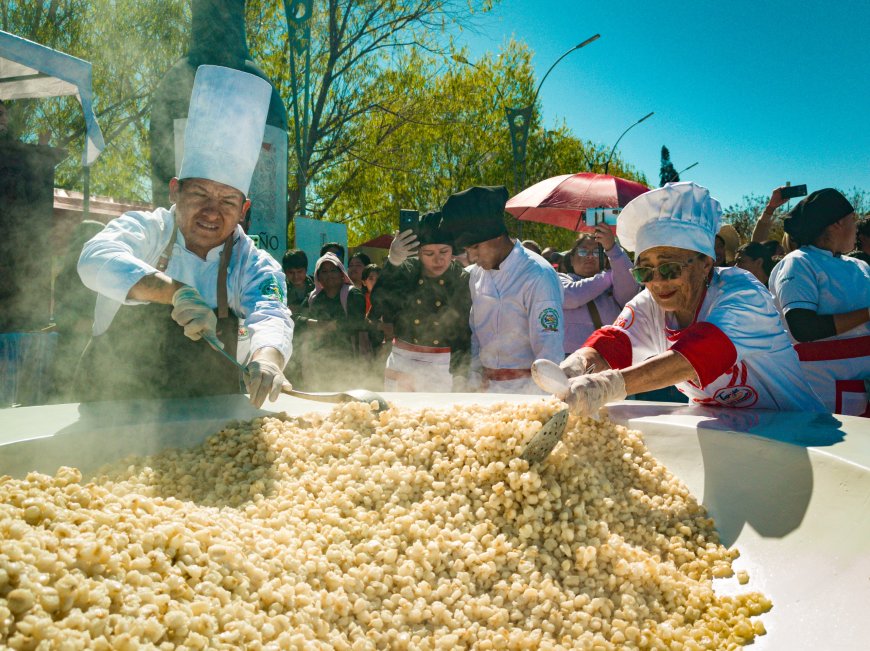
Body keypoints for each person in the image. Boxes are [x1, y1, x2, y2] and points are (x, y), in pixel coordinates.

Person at [76, 66, 293, 408]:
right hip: (111, 411)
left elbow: (271, 313)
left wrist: (267, 359)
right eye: (200, 195)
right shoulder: (149, 229)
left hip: (209, 424)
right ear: (175, 190)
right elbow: (93, 259)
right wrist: (173, 292)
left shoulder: (253, 263)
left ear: (243, 209)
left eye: (227, 202)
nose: (211, 212)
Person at [558, 182, 824, 415]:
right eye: (644, 271)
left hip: (795, 430)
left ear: (706, 264)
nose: (657, 282)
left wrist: (608, 386)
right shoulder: (651, 302)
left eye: (669, 268)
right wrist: (578, 363)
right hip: (726, 431)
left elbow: (698, 354)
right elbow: (614, 343)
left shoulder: (743, 293)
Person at [440, 185, 564, 393]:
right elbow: (475, 338)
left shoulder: (537, 275)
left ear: (497, 237)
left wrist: (543, 401)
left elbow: (549, 350)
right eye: (467, 251)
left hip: (527, 390)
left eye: (476, 248)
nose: (471, 258)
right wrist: (471, 378)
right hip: (486, 389)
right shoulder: (476, 276)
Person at [768, 189, 870, 416]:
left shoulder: (860, 266)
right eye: (853, 220)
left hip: (863, 388)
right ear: (837, 223)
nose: (857, 229)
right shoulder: (799, 262)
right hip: (823, 393)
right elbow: (803, 327)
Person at [370, 212, 472, 392]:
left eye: (444, 252)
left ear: (453, 252)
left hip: (442, 365)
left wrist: (460, 374)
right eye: (429, 253)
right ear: (418, 253)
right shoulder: (406, 271)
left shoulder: (461, 279)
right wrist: (392, 264)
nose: (438, 259)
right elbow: (379, 304)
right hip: (403, 361)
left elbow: (463, 332)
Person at [558, 226, 639, 356]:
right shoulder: (560, 278)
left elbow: (631, 288)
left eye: (596, 253)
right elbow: (571, 297)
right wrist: (608, 276)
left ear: (605, 259)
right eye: (583, 252)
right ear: (571, 259)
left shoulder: (613, 283)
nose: (590, 257)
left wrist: (612, 248)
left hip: (610, 356)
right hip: (571, 357)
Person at [303, 253, 367, 390]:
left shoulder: (353, 295)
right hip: (319, 362)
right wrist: (315, 323)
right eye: (324, 272)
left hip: (349, 360)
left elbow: (356, 322)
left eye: (333, 270)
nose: (329, 275)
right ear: (318, 276)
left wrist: (332, 326)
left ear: (341, 273)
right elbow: (294, 318)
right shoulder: (313, 298)